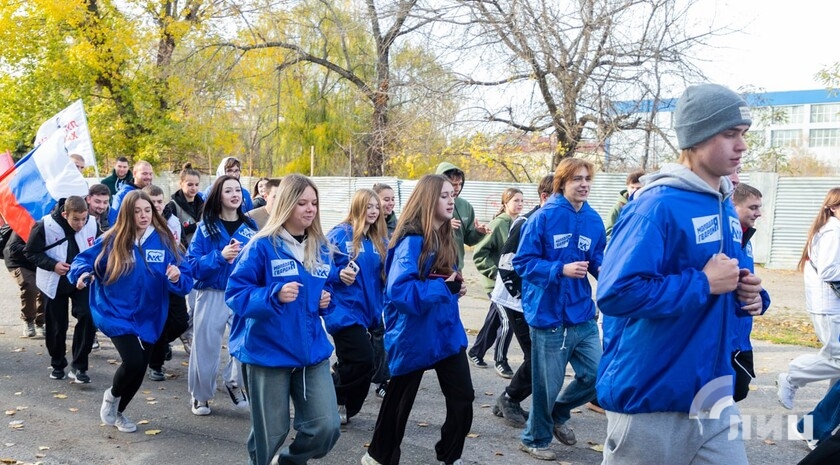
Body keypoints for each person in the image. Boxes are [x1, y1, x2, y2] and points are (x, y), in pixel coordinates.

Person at [596, 83, 763, 465]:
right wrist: (703, 283)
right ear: (697, 136)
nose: (742, 145)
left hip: (713, 393)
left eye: (743, 134)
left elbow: (722, 279)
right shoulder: (656, 205)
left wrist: (749, 293)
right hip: (651, 397)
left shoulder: (725, 205)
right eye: (730, 134)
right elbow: (615, 292)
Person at [225, 173, 340, 465]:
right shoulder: (261, 246)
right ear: (286, 204)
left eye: (314, 202)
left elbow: (326, 288)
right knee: (270, 434)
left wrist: (325, 300)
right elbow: (236, 294)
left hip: (310, 352)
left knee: (326, 427)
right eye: (302, 203)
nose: (310, 209)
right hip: (267, 352)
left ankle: (287, 462)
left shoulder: (322, 247)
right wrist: (273, 295)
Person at [361, 174, 473, 465]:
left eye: (452, 195)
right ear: (428, 200)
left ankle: (450, 457)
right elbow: (400, 291)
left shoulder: (444, 235)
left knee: (463, 398)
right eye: (444, 196)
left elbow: (443, 280)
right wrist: (444, 288)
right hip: (413, 334)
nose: (451, 201)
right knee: (398, 403)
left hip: (446, 333)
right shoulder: (411, 239)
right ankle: (378, 456)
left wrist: (456, 286)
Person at [68, 190, 192, 433]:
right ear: (127, 213)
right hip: (116, 312)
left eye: (147, 210)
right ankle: (112, 396)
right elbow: (82, 260)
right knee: (133, 361)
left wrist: (177, 276)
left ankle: (119, 410)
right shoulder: (112, 239)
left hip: (150, 315)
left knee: (140, 368)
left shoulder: (164, 240)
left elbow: (185, 276)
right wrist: (82, 274)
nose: (144, 215)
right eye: (137, 211)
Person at [512, 158, 605, 461]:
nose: (584, 184)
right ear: (562, 183)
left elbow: (598, 259)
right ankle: (534, 439)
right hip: (548, 314)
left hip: (581, 314)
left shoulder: (593, 219)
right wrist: (559, 269)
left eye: (587, 179)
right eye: (577, 179)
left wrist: (609, 274)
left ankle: (557, 414)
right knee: (547, 386)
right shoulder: (543, 217)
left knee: (598, 374)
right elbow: (522, 262)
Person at [186, 175, 256, 415]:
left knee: (246, 341)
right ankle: (201, 396)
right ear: (218, 196)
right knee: (205, 348)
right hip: (211, 293)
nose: (235, 195)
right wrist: (219, 256)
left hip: (241, 294)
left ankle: (235, 383)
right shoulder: (206, 228)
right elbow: (192, 265)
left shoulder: (251, 228)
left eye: (238, 190)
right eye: (228, 191)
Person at [491, 174, 553, 427]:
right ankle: (510, 399)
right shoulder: (526, 221)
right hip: (516, 301)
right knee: (537, 357)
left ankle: (508, 399)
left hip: (537, 302)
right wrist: (523, 297)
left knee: (541, 356)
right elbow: (507, 264)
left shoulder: (556, 221)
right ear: (545, 197)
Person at [325, 188, 388, 425]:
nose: (373, 211)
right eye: (368, 206)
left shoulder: (380, 239)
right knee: (363, 359)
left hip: (370, 313)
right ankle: (335, 398)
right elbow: (316, 265)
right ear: (357, 207)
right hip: (342, 311)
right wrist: (337, 274)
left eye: (376, 207)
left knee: (364, 363)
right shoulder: (340, 234)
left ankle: (340, 402)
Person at [778, 187, 840, 410]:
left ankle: (826, 419)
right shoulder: (833, 232)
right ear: (833, 207)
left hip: (829, 305)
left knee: (836, 362)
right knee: (837, 359)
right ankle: (792, 376)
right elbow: (828, 271)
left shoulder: (831, 229)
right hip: (829, 307)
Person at [25, 196, 98, 383]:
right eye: (76, 219)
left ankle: (80, 366)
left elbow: (98, 248)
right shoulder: (45, 225)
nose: (80, 224)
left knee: (88, 317)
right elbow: (30, 252)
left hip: (82, 279)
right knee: (57, 325)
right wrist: (53, 265)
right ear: (65, 214)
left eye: (84, 218)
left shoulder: (92, 223)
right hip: (54, 282)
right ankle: (57, 364)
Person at [468, 187, 524, 378]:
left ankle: (476, 352)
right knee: (508, 322)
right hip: (496, 284)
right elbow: (479, 254)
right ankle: (501, 361)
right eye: (515, 200)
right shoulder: (499, 224)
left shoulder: (521, 223)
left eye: (522, 201)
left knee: (493, 321)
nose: (519, 204)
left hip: (510, 284)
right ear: (505, 203)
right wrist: (495, 274)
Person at [143, 185, 190, 382]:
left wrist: (181, 268)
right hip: (151, 284)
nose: (157, 205)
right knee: (158, 323)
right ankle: (156, 365)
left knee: (180, 322)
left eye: (159, 201)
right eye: (152, 202)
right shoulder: (142, 223)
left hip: (172, 278)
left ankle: (160, 345)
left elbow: (180, 245)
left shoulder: (173, 221)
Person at [731, 183, 771, 402]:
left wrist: (761, 299)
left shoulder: (746, 240)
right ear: (732, 206)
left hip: (741, 339)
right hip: (724, 341)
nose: (759, 213)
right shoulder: (722, 240)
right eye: (753, 207)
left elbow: (748, 283)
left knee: (737, 395)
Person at [166, 163, 204, 356]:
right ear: (181, 184)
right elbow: (172, 231)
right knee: (182, 303)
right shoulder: (172, 206)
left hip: (199, 258)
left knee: (197, 304)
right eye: (189, 184)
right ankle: (167, 339)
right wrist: (194, 226)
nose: (193, 188)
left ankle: (187, 334)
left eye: (196, 184)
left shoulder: (203, 204)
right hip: (181, 258)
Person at [435, 162, 490, 270]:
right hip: (432, 267)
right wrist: (443, 227)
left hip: (456, 268)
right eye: (453, 184)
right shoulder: (427, 204)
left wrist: (479, 232)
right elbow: (421, 232)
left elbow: (469, 240)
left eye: (460, 184)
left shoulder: (465, 206)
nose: (457, 188)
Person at [370, 182, 398, 397]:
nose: (390, 203)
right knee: (374, 335)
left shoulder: (398, 226)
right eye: (385, 199)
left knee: (383, 334)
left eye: (392, 199)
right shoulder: (367, 225)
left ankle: (384, 380)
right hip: (370, 290)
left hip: (389, 289)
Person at [4, 230, 45, 337]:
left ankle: (41, 322)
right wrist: (35, 248)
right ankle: (28, 320)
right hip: (18, 261)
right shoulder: (25, 225)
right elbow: (14, 247)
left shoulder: (56, 227)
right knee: (30, 287)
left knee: (46, 289)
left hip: (41, 262)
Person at [605, 169, 644, 238]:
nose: (634, 191)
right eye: (632, 187)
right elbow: (608, 233)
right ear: (627, 187)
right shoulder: (618, 208)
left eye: (638, 188)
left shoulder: (648, 207)